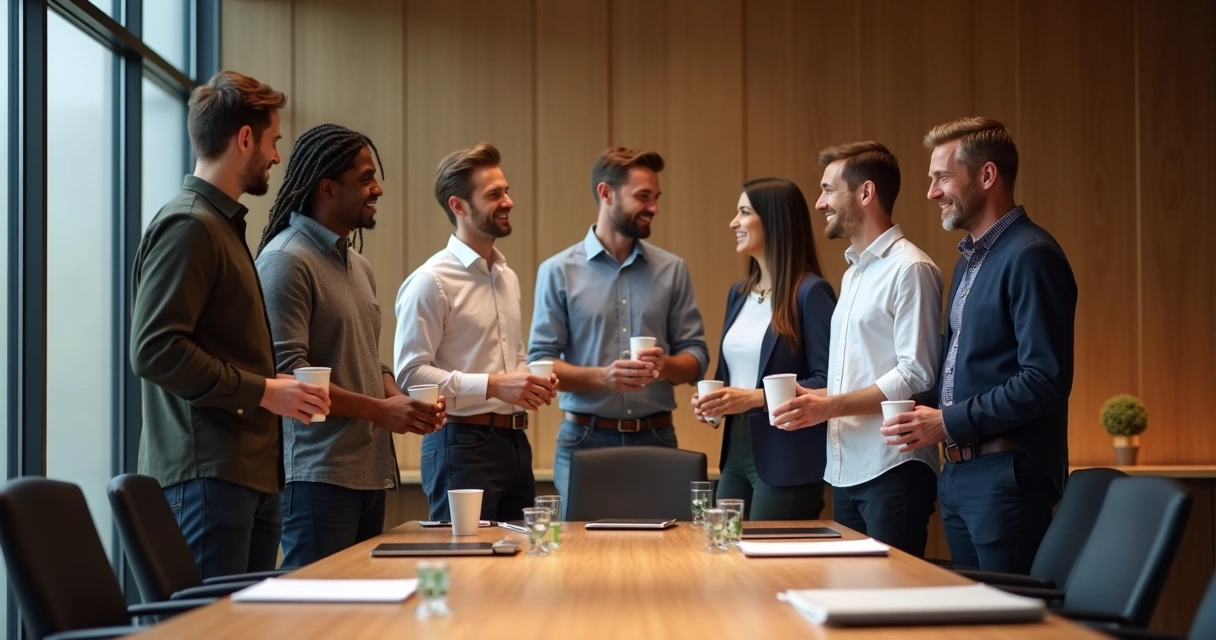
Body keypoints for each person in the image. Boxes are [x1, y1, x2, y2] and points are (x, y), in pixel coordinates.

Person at [130, 71, 330, 578]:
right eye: (273, 141)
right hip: (207, 479)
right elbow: (154, 350)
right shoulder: (190, 225)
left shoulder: (220, 226)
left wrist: (271, 387)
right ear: (245, 138)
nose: (277, 157)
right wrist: (264, 391)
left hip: (245, 477)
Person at [881, 117, 1077, 572]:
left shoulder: (1032, 255)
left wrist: (945, 421)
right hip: (960, 475)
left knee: (1005, 620)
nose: (931, 192)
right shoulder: (970, 261)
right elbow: (964, 373)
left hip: (1005, 478)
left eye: (942, 177)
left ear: (987, 176)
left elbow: (1044, 380)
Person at [255, 124, 446, 567]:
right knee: (318, 620)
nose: (377, 188)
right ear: (327, 187)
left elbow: (363, 357)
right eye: (365, 178)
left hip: (368, 472)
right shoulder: (285, 261)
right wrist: (380, 411)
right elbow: (289, 376)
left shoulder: (358, 265)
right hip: (317, 477)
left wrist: (397, 396)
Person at [769, 143, 942, 555]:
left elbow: (915, 374)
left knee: (888, 601)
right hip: (846, 470)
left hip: (892, 467)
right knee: (852, 593)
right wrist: (815, 398)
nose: (819, 202)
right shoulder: (852, 275)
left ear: (865, 193)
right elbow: (857, 377)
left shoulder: (911, 268)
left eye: (829, 190)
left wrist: (826, 408)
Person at [529, 147, 709, 502]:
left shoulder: (672, 269)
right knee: (580, 555)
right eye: (643, 196)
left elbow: (697, 358)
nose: (654, 207)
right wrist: (603, 378)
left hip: (657, 437)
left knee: (666, 554)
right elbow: (540, 364)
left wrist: (665, 366)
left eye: (656, 197)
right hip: (583, 440)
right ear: (606, 193)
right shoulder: (557, 271)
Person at [394, 143, 558, 521]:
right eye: (494, 194)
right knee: (465, 568)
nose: (509, 201)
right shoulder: (430, 281)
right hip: (460, 443)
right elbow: (410, 374)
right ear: (459, 206)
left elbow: (510, 360)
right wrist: (494, 385)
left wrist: (530, 385)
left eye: (507, 190)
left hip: (516, 440)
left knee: (519, 565)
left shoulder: (507, 275)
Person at [691, 178, 834, 520]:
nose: (733, 223)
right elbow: (726, 377)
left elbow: (830, 380)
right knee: (725, 555)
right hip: (735, 453)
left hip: (788, 458)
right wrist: (712, 403)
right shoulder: (739, 293)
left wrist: (754, 398)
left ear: (773, 221)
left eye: (743, 212)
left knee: (770, 568)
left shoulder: (811, 292)